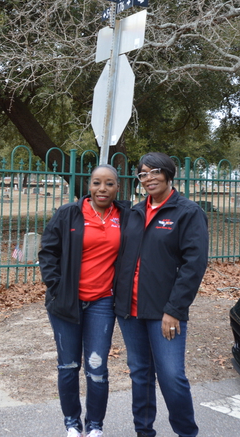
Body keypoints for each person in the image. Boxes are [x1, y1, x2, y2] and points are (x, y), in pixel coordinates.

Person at [114, 152, 208, 437]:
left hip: (164, 312)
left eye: (155, 171)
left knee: (171, 376)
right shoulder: (135, 212)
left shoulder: (187, 212)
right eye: (143, 174)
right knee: (140, 373)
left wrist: (174, 310)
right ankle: (144, 431)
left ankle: (186, 433)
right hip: (130, 311)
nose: (148, 178)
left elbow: (194, 265)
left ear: (168, 174)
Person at [38, 165, 133, 437]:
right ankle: (72, 424)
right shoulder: (70, 213)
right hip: (66, 302)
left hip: (102, 303)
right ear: (89, 186)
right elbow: (48, 251)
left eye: (109, 183)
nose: (102, 189)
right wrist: (56, 287)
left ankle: (94, 426)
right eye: (96, 183)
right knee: (68, 365)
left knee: (97, 368)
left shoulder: (125, 217)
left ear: (117, 188)